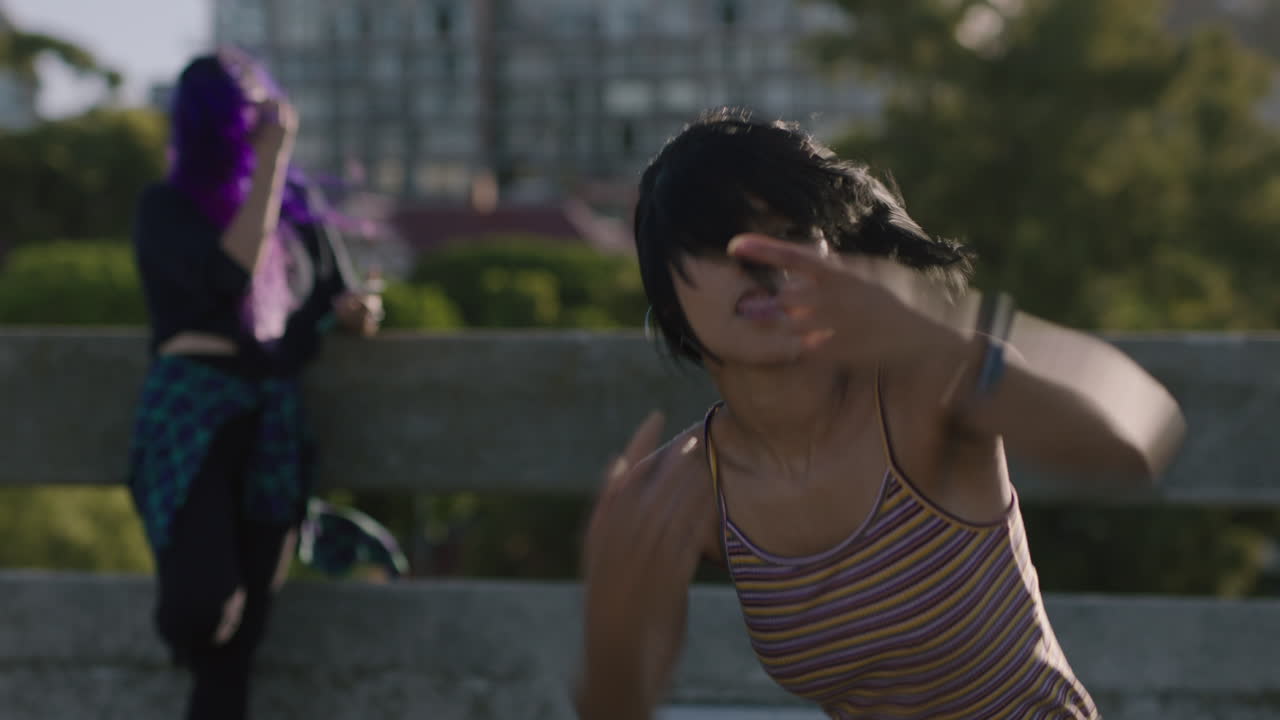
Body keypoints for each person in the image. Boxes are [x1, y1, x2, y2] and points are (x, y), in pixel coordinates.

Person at [575, 110, 1187, 719]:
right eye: (717, 242)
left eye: (788, 231)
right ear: (670, 295)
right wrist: (612, 638)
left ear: (833, 253)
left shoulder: (922, 388)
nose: (758, 262)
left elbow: (1135, 434)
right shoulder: (687, 491)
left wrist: (935, 332)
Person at [127, 48, 382, 720]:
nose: (254, 116)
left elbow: (339, 292)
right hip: (194, 413)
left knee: (240, 645)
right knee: (201, 610)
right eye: (237, 106)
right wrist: (271, 161)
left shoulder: (297, 206)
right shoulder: (166, 207)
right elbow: (226, 280)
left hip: (274, 416)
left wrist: (359, 311)